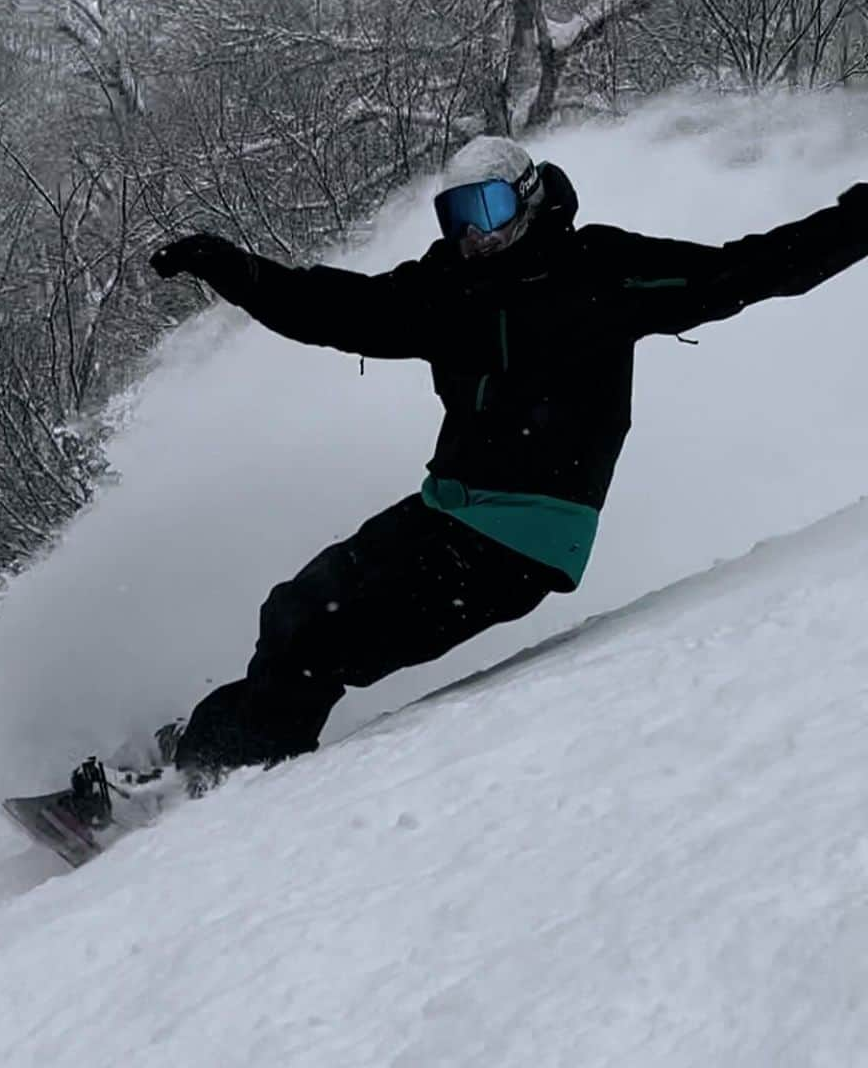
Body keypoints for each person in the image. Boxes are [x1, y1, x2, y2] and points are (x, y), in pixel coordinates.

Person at [147, 136, 868, 783]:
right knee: (299, 608)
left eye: (486, 209)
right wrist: (233, 269)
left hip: (524, 535)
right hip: (452, 510)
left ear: (527, 199)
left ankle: (225, 769)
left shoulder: (600, 273)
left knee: (321, 626)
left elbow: (752, 269)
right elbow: (336, 310)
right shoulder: (449, 290)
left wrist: (857, 221)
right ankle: (217, 748)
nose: (473, 232)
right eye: (456, 215)